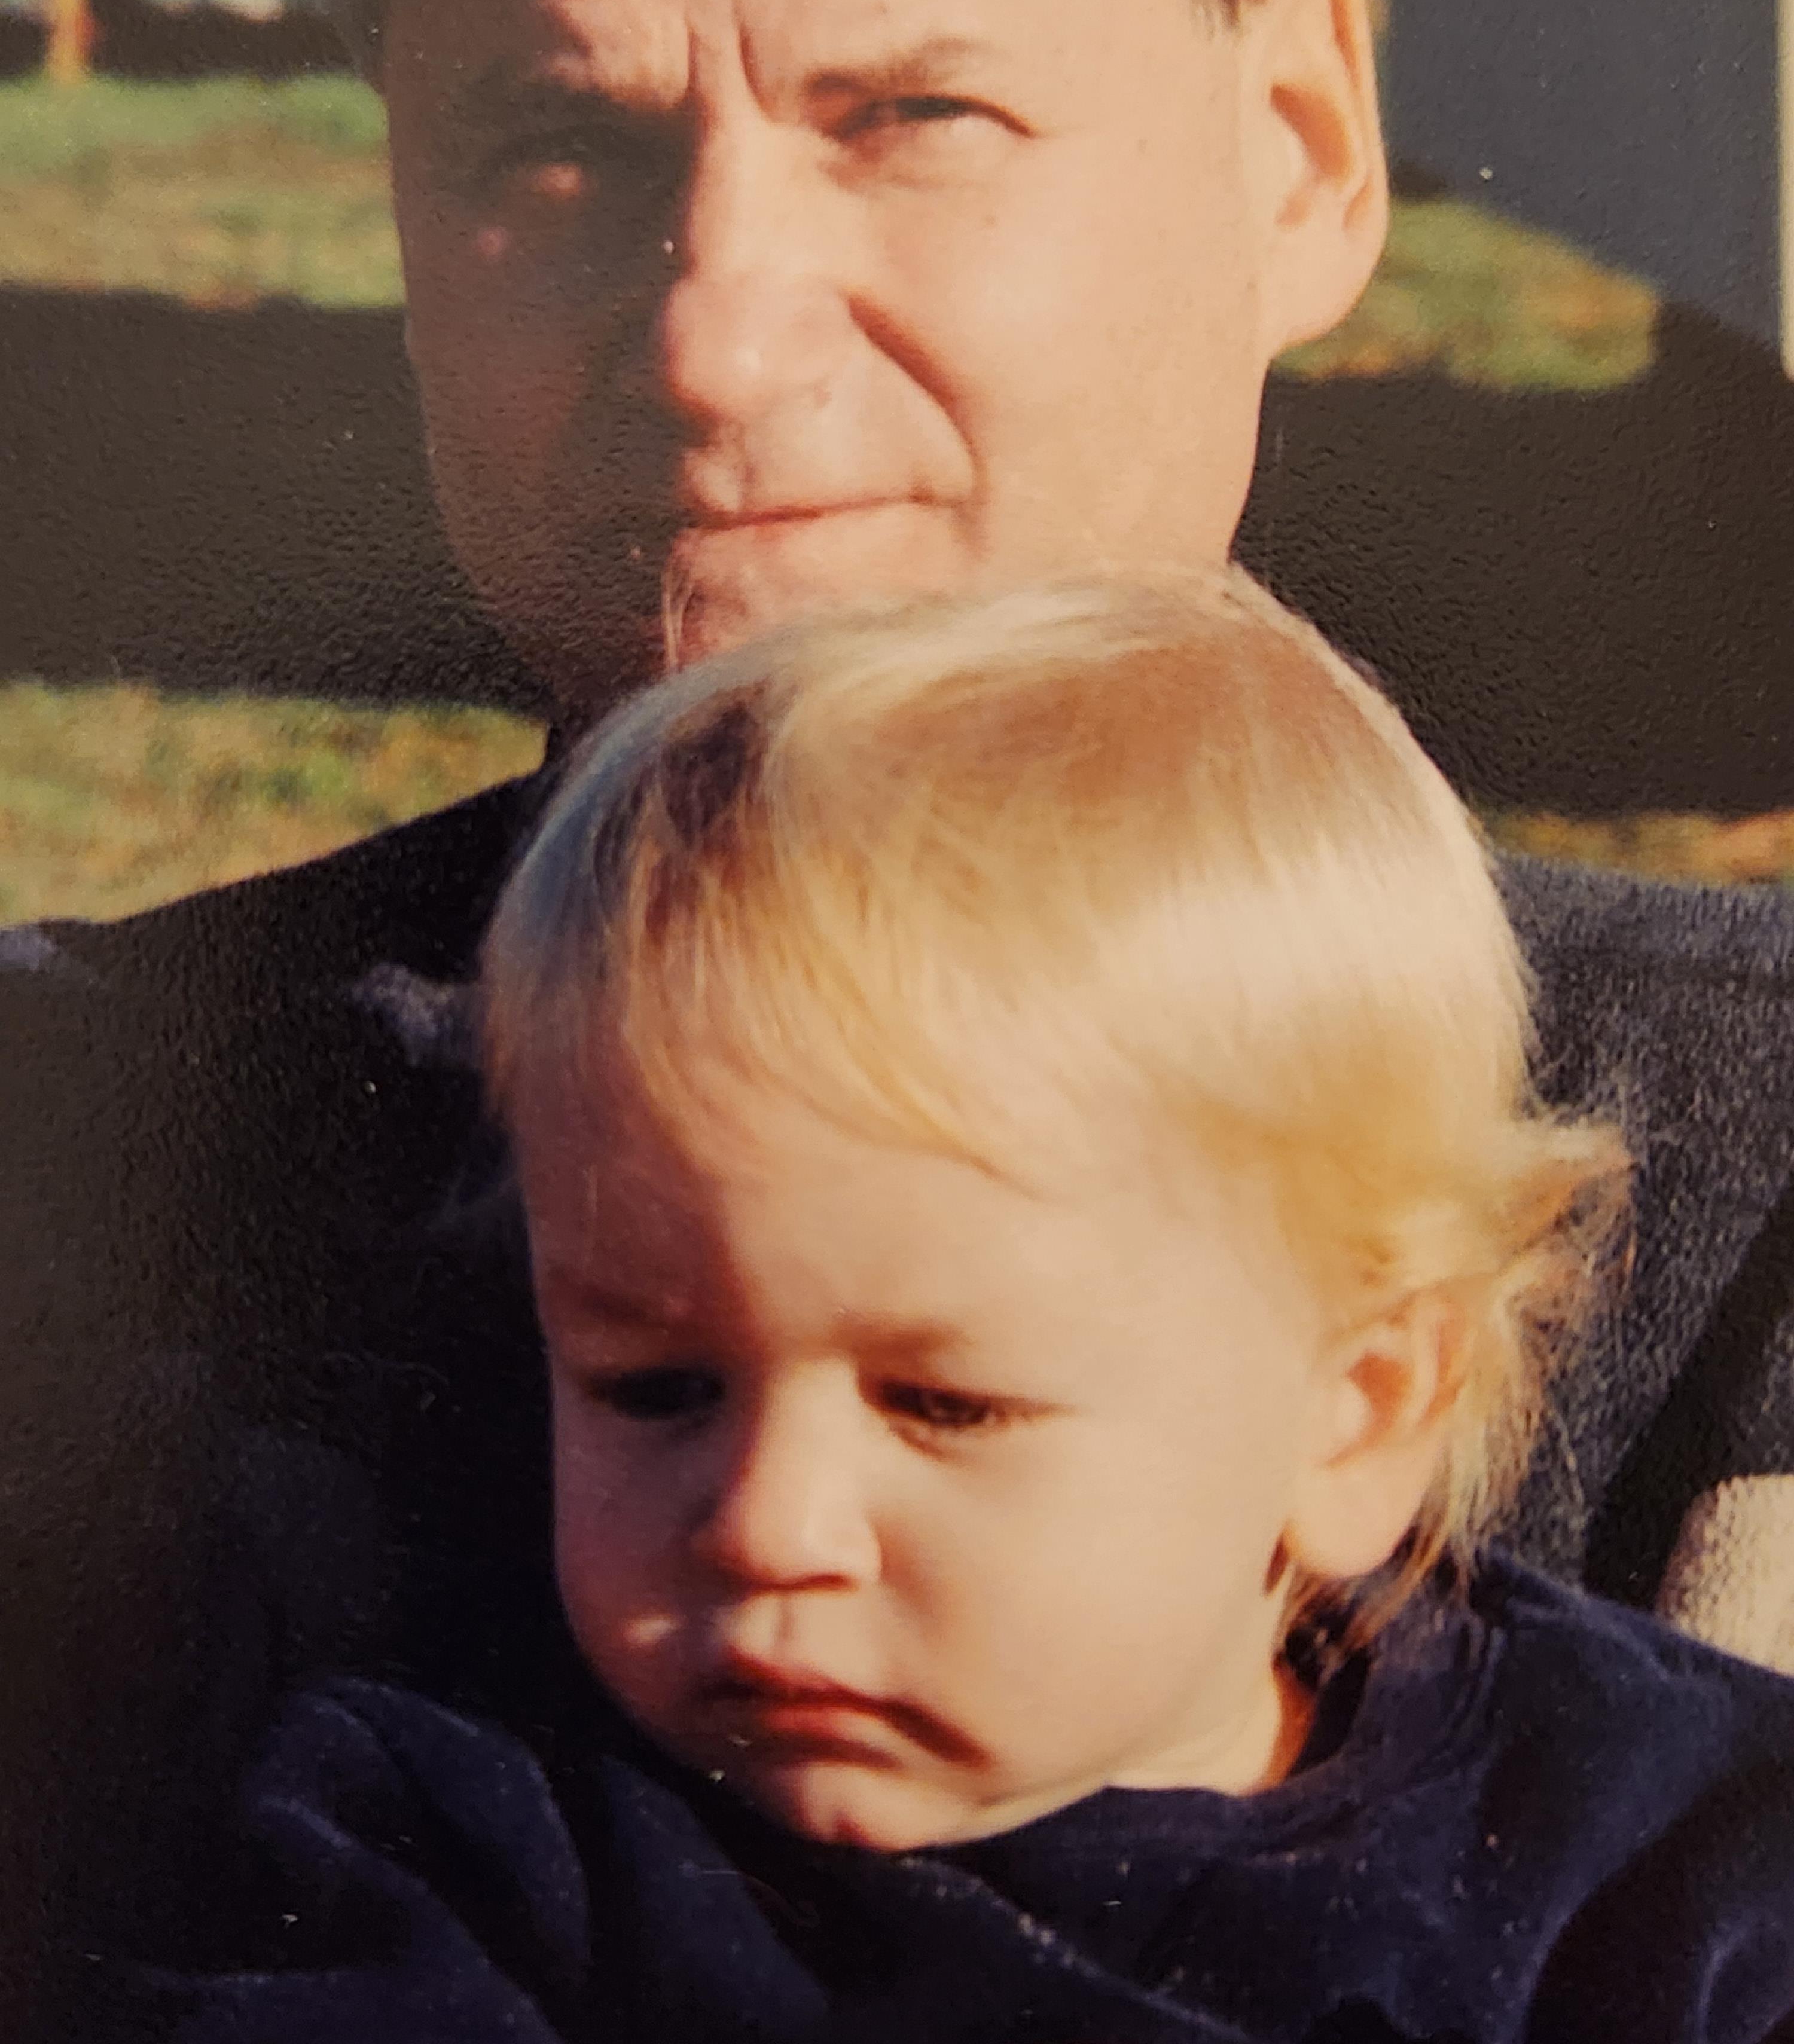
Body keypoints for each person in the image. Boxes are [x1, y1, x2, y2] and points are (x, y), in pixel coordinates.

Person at [7, 0, 1794, 2028]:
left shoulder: (1757, 1224)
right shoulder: (80, 1186)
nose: (726, 339)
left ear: (1303, 146)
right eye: (557, 138)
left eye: (916, 110)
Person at [151, 576, 1794, 2043]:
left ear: (1358, 1407)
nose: (769, 1523)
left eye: (943, 1405)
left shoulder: (1662, 1865)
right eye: (653, 1385)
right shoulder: (480, 1833)